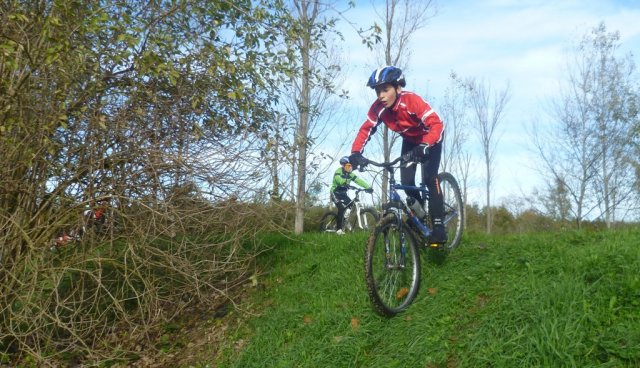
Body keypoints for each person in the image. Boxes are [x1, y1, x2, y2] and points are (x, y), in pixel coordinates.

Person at [348, 66, 447, 244]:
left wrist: (426, 144)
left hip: (430, 138)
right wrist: (355, 153)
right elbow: (366, 129)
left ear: (398, 88)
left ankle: (439, 227)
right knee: (407, 183)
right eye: (378, 91)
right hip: (410, 141)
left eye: (385, 90)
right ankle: (420, 216)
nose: (381, 95)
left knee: (430, 178)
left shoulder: (412, 101)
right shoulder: (378, 108)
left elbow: (437, 125)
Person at [329, 156, 373, 235]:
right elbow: (339, 180)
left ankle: (345, 220)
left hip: (343, 194)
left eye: (350, 165)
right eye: (347, 165)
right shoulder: (338, 171)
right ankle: (338, 229)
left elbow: (358, 181)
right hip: (335, 192)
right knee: (341, 208)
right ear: (343, 165)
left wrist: (368, 187)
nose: (349, 167)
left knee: (351, 205)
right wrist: (345, 182)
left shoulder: (350, 174)